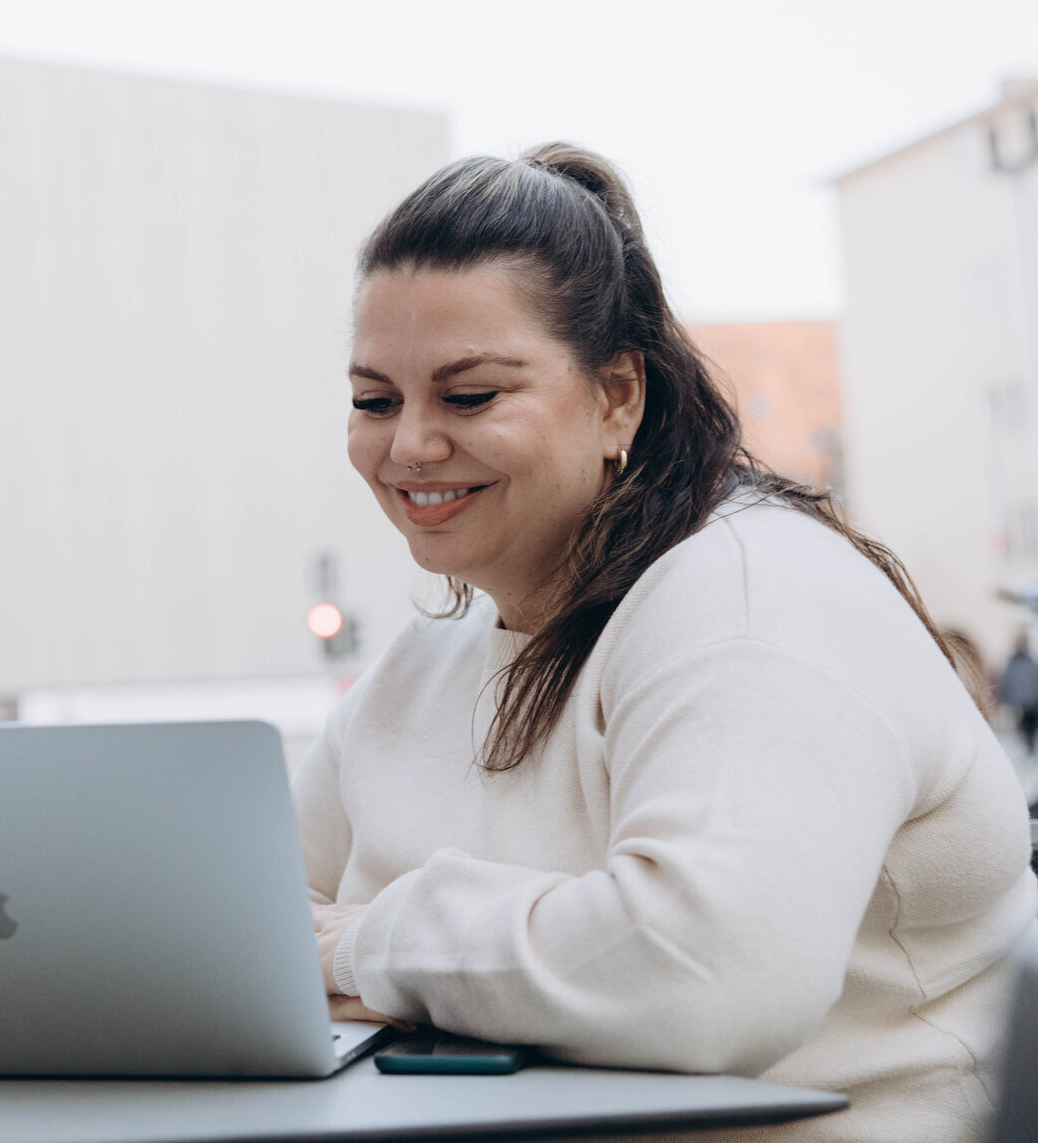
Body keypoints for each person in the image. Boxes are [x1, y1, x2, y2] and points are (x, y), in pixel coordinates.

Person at [297, 144, 1035, 1142]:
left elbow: (712, 970)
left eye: (469, 396)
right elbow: (259, 933)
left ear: (615, 399)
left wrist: (365, 947)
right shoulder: (419, 668)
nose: (408, 444)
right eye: (373, 400)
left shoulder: (752, 596)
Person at [998, 632, 1038, 755]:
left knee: (1024, 734)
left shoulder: (1021, 663)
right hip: (1023, 704)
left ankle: (1026, 755)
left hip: (1025, 704)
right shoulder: (1024, 663)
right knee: (1021, 735)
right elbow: (1006, 682)